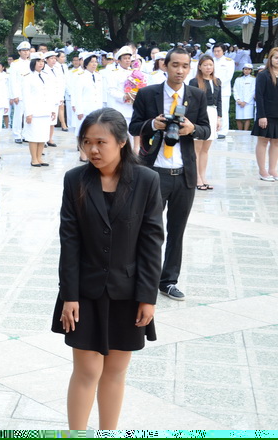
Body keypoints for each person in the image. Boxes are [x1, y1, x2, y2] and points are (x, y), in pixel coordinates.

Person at [54, 107, 163, 430]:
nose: (93, 150)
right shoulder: (75, 180)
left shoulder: (146, 180)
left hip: (127, 292)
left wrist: (148, 297)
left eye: (101, 142)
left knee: (115, 371)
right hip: (84, 292)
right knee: (87, 370)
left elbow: (151, 242)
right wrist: (69, 296)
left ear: (122, 142)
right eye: (87, 142)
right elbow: (69, 241)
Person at [130, 47, 211, 301]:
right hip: (154, 173)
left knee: (177, 231)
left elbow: (206, 130)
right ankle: (142, 278)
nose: (180, 70)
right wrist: (153, 124)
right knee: (147, 229)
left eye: (185, 66)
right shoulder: (147, 94)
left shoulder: (196, 95)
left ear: (190, 68)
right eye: (175, 65)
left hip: (184, 174)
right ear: (165, 66)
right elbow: (133, 126)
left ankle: (168, 281)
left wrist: (192, 129)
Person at [188, 55, 222, 190]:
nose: (208, 67)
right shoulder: (194, 81)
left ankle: (203, 176)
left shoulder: (217, 81)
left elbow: (219, 101)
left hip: (213, 114)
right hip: (200, 114)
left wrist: (219, 118)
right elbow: (191, 102)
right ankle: (196, 177)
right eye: (205, 65)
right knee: (197, 148)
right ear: (200, 67)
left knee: (206, 149)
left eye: (210, 65)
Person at [23, 53, 56, 167]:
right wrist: (28, 113)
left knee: (43, 136)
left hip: (45, 111)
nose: (41, 64)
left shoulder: (46, 76)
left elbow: (50, 94)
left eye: (42, 61)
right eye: (38, 61)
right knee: (34, 136)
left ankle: (39, 158)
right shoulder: (28, 77)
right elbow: (26, 96)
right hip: (34, 112)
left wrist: (52, 109)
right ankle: (34, 159)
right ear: (33, 63)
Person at [253, 48, 278, 181]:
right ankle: (262, 171)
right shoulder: (263, 75)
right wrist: (261, 116)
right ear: (270, 59)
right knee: (263, 141)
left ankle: (272, 169)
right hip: (266, 114)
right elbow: (259, 96)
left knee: (276, 142)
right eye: (276, 58)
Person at [73, 55, 103, 161]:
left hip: (96, 109)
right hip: (84, 109)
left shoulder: (98, 76)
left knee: (94, 132)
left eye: (96, 62)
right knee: (82, 132)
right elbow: (77, 95)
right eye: (92, 62)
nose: (94, 64)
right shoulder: (80, 76)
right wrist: (79, 110)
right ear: (86, 64)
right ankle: (83, 154)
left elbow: (100, 93)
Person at [8, 41, 32, 143]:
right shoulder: (15, 64)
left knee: (28, 114)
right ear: (19, 52)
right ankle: (17, 134)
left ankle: (26, 134)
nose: (26, 52)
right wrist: (15, 95)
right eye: (23, 50)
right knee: (18, 115)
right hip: (20, 93)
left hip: (29, 93)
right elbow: (13, 81)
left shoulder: (31, 63)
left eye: (27, 50)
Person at [233, 64, 256, 131]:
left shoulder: (253, 79)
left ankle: (245, 132)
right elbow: (235, 90)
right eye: (245, 69)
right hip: (239, 102)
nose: (247, 71)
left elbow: (252, 91)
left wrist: (245, 101)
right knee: (238, 118)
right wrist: (238, 100)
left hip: (248, 102)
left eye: (249, 69)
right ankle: (240, 132)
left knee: (247, 118)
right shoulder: (238, 79)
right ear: (243, 70)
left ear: (251, 70)